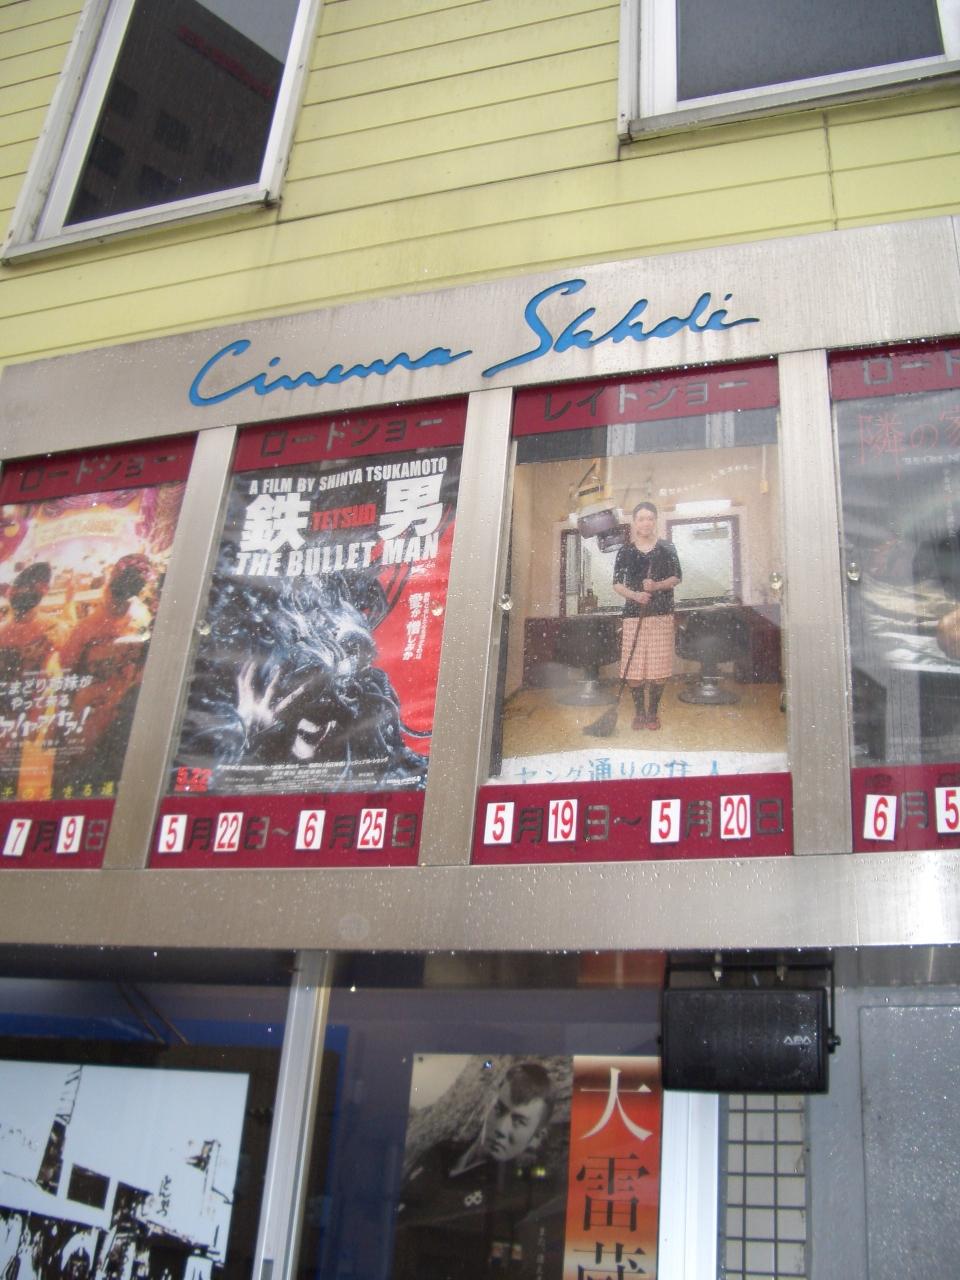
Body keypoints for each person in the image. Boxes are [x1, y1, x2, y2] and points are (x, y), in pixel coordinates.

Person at [394, 1062, 562, 1279]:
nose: (501, 1128)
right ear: (487, 1107)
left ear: (537, 1137)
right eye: (499, 1110)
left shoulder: (510, 1200)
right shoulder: (441, 1152)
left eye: (519, 1122)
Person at [612, 501, 681, 731]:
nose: (646, 523)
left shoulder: (667, 547)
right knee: (634, 670)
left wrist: (657, 585)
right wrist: (635, 595)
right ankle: (639, 713)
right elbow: (616, 584)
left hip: (661, 614)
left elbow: (677, 577)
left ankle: (652, 713)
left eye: (650, 518)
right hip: (633, 616)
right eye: (641, 518)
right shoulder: (625, 551)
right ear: (634, 522)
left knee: (658, 669)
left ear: (655, 521)